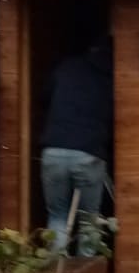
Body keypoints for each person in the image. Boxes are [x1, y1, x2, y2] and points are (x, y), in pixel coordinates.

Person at [39, 36, 113, 257]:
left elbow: (44, 98)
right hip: (88, 152)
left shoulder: (66, 67)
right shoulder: (110, 78)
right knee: (89, 219)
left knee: (58, 215)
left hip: (53, 151)